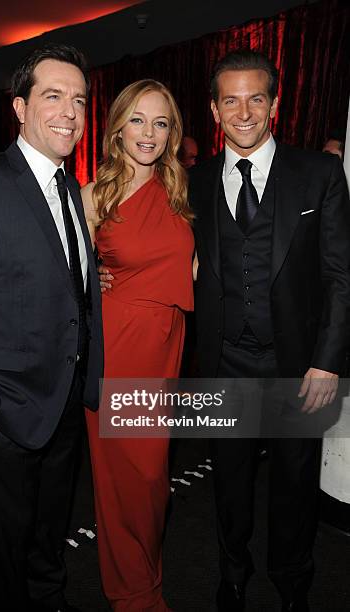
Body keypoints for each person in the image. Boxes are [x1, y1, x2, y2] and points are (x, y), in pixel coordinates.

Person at [0, 43, 103, 612]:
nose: (69, 112)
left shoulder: (70, 189)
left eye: (78, 100)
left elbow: (66, 288)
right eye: (53, 96)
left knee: (49, 538)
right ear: (20, 108)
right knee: (5, 551)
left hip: (64, 405)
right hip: (5, 409)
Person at [189, 49, 350, 612]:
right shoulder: (195, 179)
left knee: (295, 485)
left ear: (275, 104)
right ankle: (233, 574)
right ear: (213, 109)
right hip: (224, 360)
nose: (244, 111)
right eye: (230, 100)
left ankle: (293, 583)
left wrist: (327, 360)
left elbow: (339, 275)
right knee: (228, 484)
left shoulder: (319, 173)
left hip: (300, 365)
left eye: (256, 97)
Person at [82, 79, 194, 611]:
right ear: (118, 126)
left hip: (167, 342)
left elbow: (192, 264)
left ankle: (146, 570)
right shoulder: (92, 194)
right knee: (127, 474)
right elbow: (62, 275)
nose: (148, 133)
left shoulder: (179, 188)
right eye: (137, 120)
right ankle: (133, 591)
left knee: (153, 477)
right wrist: (90, 281)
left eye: (161, 122)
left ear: (171, 133)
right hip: (119, 344)